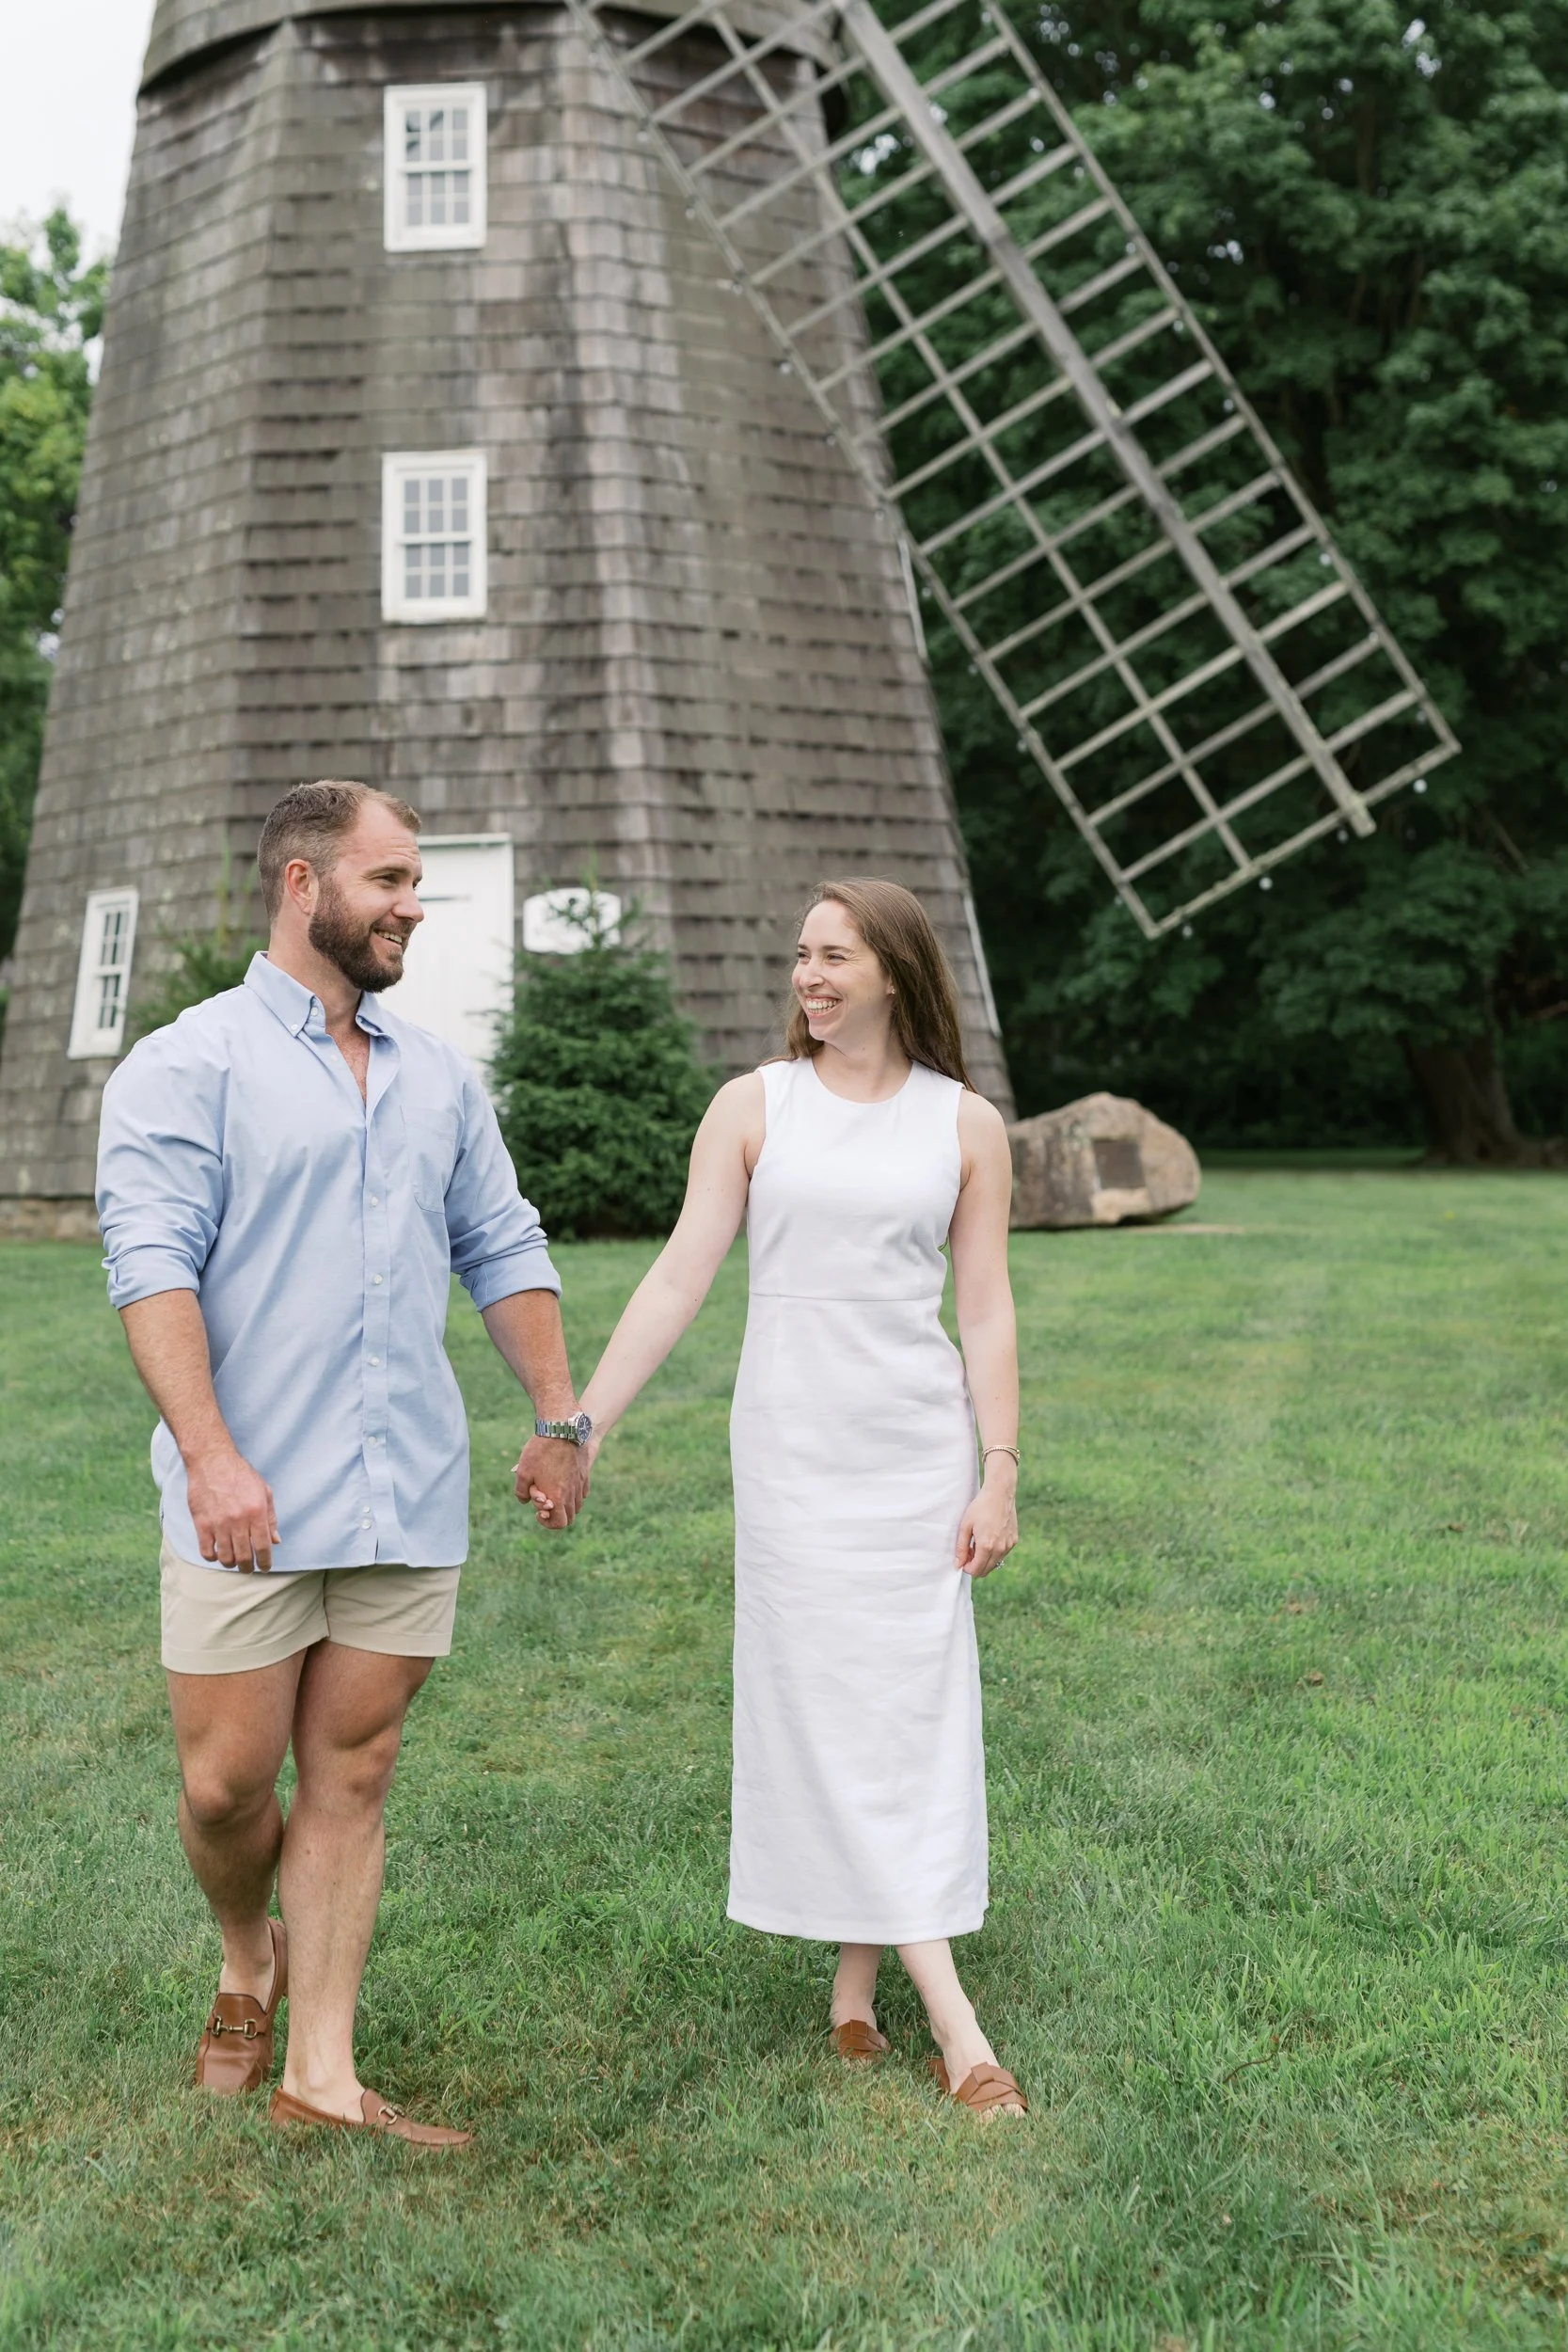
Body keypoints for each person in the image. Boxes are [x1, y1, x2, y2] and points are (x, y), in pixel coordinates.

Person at [97, 780, 591, 2146]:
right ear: (303, 886)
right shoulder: (186, 1066)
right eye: (388, 881)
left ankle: (320, 2067)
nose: (411, 907)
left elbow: (502, 1244)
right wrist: (210, 1459)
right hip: (248, 1495)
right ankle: (245, 1957)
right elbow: (151, 1271)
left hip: (405, 1491)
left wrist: (556, 1417)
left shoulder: (433, 1075)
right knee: (226, 1783)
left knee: (355, 1770)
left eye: (416, 881)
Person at [536, 878, 1025, 2118]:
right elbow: (677, 1281)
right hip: (796, 1454)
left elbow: (983, 1308)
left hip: (913, 1454)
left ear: (897, 975)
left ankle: (857, 1986)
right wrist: (582, 1422)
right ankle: (957, 2031)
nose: (808, 976)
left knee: (903, 1707)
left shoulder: (964, 1125)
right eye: (799, 954)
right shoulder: (753, 1108)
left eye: (835, 956)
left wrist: (999, 1467)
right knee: (827, 1702)